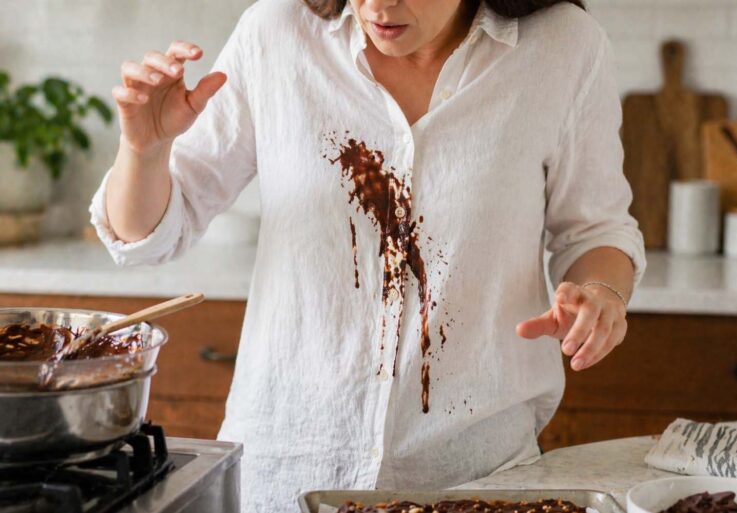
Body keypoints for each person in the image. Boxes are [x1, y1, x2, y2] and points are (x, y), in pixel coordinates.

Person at [90, 0, 646, 510]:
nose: (378, 6)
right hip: (284, 473)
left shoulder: (565, 48)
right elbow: (152, 234)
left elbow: (596, 231)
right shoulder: (277, 34)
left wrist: (601, 292)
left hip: (474, 477)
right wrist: (145, 149)